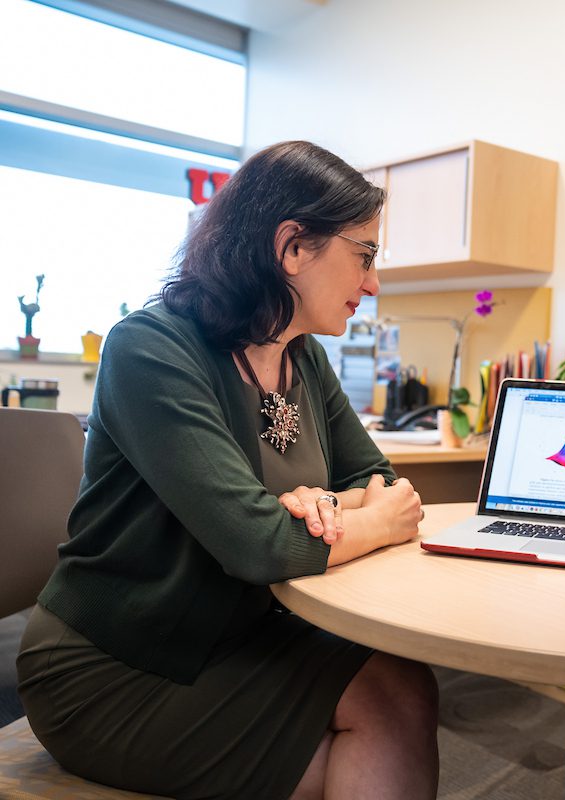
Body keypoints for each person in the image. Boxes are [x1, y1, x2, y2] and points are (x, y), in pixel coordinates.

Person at [17, 141, 440, 799]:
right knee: (364, 746)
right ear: (292, 247)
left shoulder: (303, 357)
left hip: (238, 636)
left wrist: (332, 505)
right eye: (364, 255)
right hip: (116, 664)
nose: (372, 284)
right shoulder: (149, 348)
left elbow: (379, 481)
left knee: (403, 685)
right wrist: (371, 520)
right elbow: (258, 544)